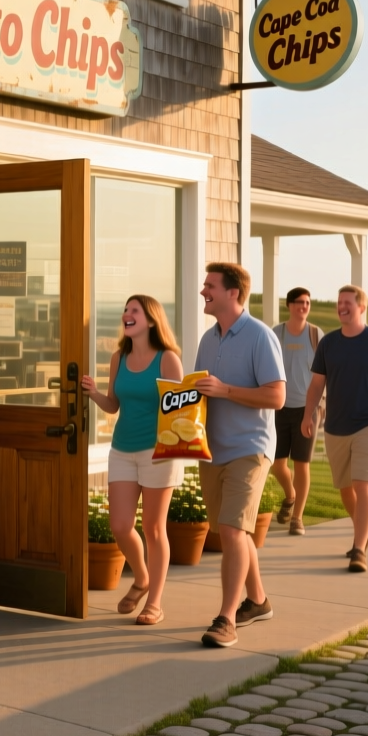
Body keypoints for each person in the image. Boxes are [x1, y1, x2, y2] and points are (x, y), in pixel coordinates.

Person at [192, 262, 285, 648]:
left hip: (251, 448)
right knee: (235, 530)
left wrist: (226, 390)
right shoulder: (207, 340)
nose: (203, 292)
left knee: (232, 529)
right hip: (212, 450)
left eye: (209, 286)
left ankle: (226, 618)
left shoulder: (260, 337)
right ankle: (258, 601)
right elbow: (200, 394)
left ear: (233, 293)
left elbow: (277, 396)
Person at [80, 295, 184, 626]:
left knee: (154, 528)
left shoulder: (168, 359)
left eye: (134, 310)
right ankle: (142, 577)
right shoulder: (118, 358)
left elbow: (179, 411)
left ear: (151, 320)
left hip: (159, 453)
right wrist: (95, 393)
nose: (127, 315)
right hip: (122, 449)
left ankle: (154, 602)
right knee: (121, 526)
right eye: (125, 310)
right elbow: (113, 405)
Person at [304, 285, 368, 573]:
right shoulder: (328, 343)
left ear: (362, 307)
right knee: (346, 489)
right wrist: (308, 415)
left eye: (347, 302)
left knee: (363, 484)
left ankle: (359, 549)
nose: (341, 306)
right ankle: (365, 528)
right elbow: (316, 384)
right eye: (339, 302)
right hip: (335, 425)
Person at [271, 287, 322, 535]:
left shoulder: (315, 334)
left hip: (307, 409)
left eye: (307, 303)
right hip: (278, 407)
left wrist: (320, 407)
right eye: (299, 302)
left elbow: (326, 373)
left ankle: (297, 517)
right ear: (289, 305)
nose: (304, 306)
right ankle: (290, 495)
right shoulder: (276, 333)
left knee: (302, 464)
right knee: (277, 464)